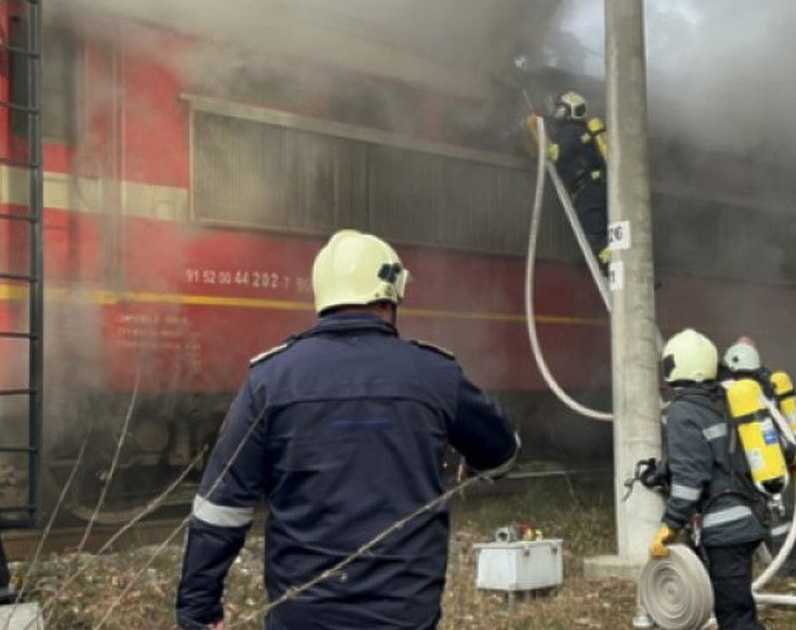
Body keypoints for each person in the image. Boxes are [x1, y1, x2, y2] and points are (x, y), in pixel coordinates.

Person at [175, 229, 520, 630]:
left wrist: (197, 613)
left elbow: (220, 509)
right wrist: (472, 467)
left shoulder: (270, 381)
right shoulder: (435, 375)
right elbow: (503, 451)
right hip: (405, 619)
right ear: (390, 296)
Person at [649, 329, 770, 630]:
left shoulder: (683, 412)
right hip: (747, 519)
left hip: (725, 529)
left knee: (734, 617)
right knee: (736, 607)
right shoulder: (723, 400)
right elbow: (717, 458)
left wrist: (669, 526)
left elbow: (691, 479)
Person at [720, 337, 796, 577]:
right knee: (777, 509)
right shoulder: (765, 387)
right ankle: (787, 565)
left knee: (745, 507)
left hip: (739, 461)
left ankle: (755, 559)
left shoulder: (730, 390)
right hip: (769, 459)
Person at [529, 91, 610, 264]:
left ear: (570, 111)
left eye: (560, 110)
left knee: (594, 237)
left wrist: (534, 129)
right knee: (605, 233)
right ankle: (624, 270)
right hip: (600, 187)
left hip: (589, 191)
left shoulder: (571, 131)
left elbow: (552, 153)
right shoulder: (582, 132)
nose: (557, 114)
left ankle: (617, 270)